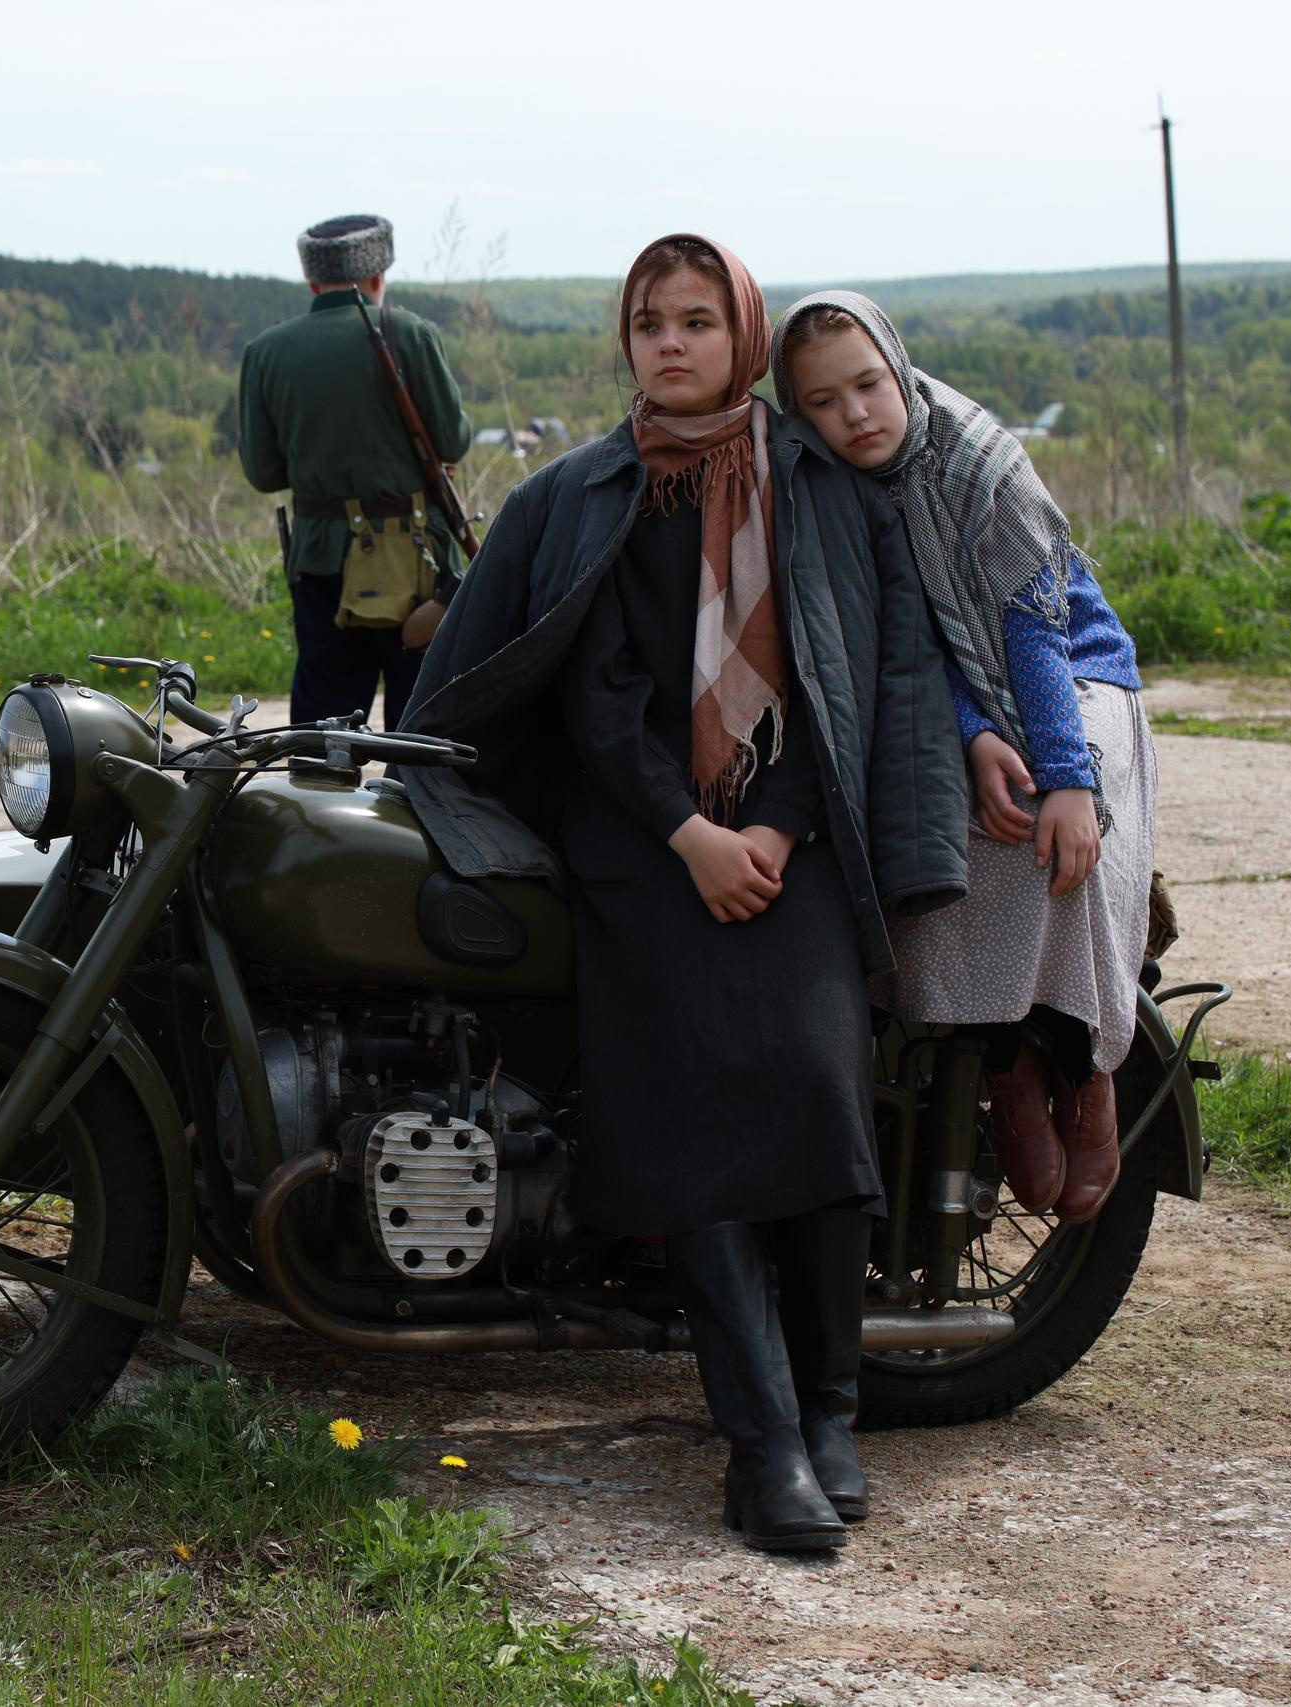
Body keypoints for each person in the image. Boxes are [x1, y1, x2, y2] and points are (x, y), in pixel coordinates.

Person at [402, 235, 967, 1551]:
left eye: (700, 319)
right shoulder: (589, 492)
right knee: (693, 1107)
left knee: (826, 1098)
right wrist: (689, 834)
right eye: (650, 319)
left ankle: (833, 1410)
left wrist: (770, 826)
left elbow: (858, 681)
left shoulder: (823, 485)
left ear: (744, 336)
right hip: (638, 847)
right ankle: (761, 1441)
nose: (671, 341)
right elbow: (590, 694)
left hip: (799, 837)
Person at [771, 292, 1153, 1223]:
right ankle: (1007, 1056)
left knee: (1056, 828)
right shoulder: (824, 486)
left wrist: (1067, 776)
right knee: (945, 826)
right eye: (823, 401)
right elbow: (897, 634)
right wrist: (968, 733)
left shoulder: (982, 464)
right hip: (946, 698)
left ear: (898, 370)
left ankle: (1089, 1061)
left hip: (1073, 674)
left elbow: (1033, 630)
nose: (855, 413)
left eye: (868, 385)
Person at [238, 214, 473, 728]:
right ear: (376, 278)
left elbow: (263, 471)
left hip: (321, 560)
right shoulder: (410, 334)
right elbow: (454, 441)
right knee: (422, 731)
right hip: (419, 561)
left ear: (313, 282)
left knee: (323, 733)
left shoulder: (266, 351)